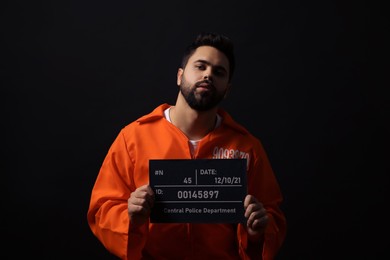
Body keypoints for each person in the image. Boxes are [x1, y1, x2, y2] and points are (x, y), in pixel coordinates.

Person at [87, 32, 287, 260]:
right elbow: (102, 208)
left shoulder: (248, 148)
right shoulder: (133, 137)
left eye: (218, 72)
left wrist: (256, 232)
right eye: (200, 66)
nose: (208, 75)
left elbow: (272, 215)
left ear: (227, 89)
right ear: (180, 76)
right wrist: (130, 216)